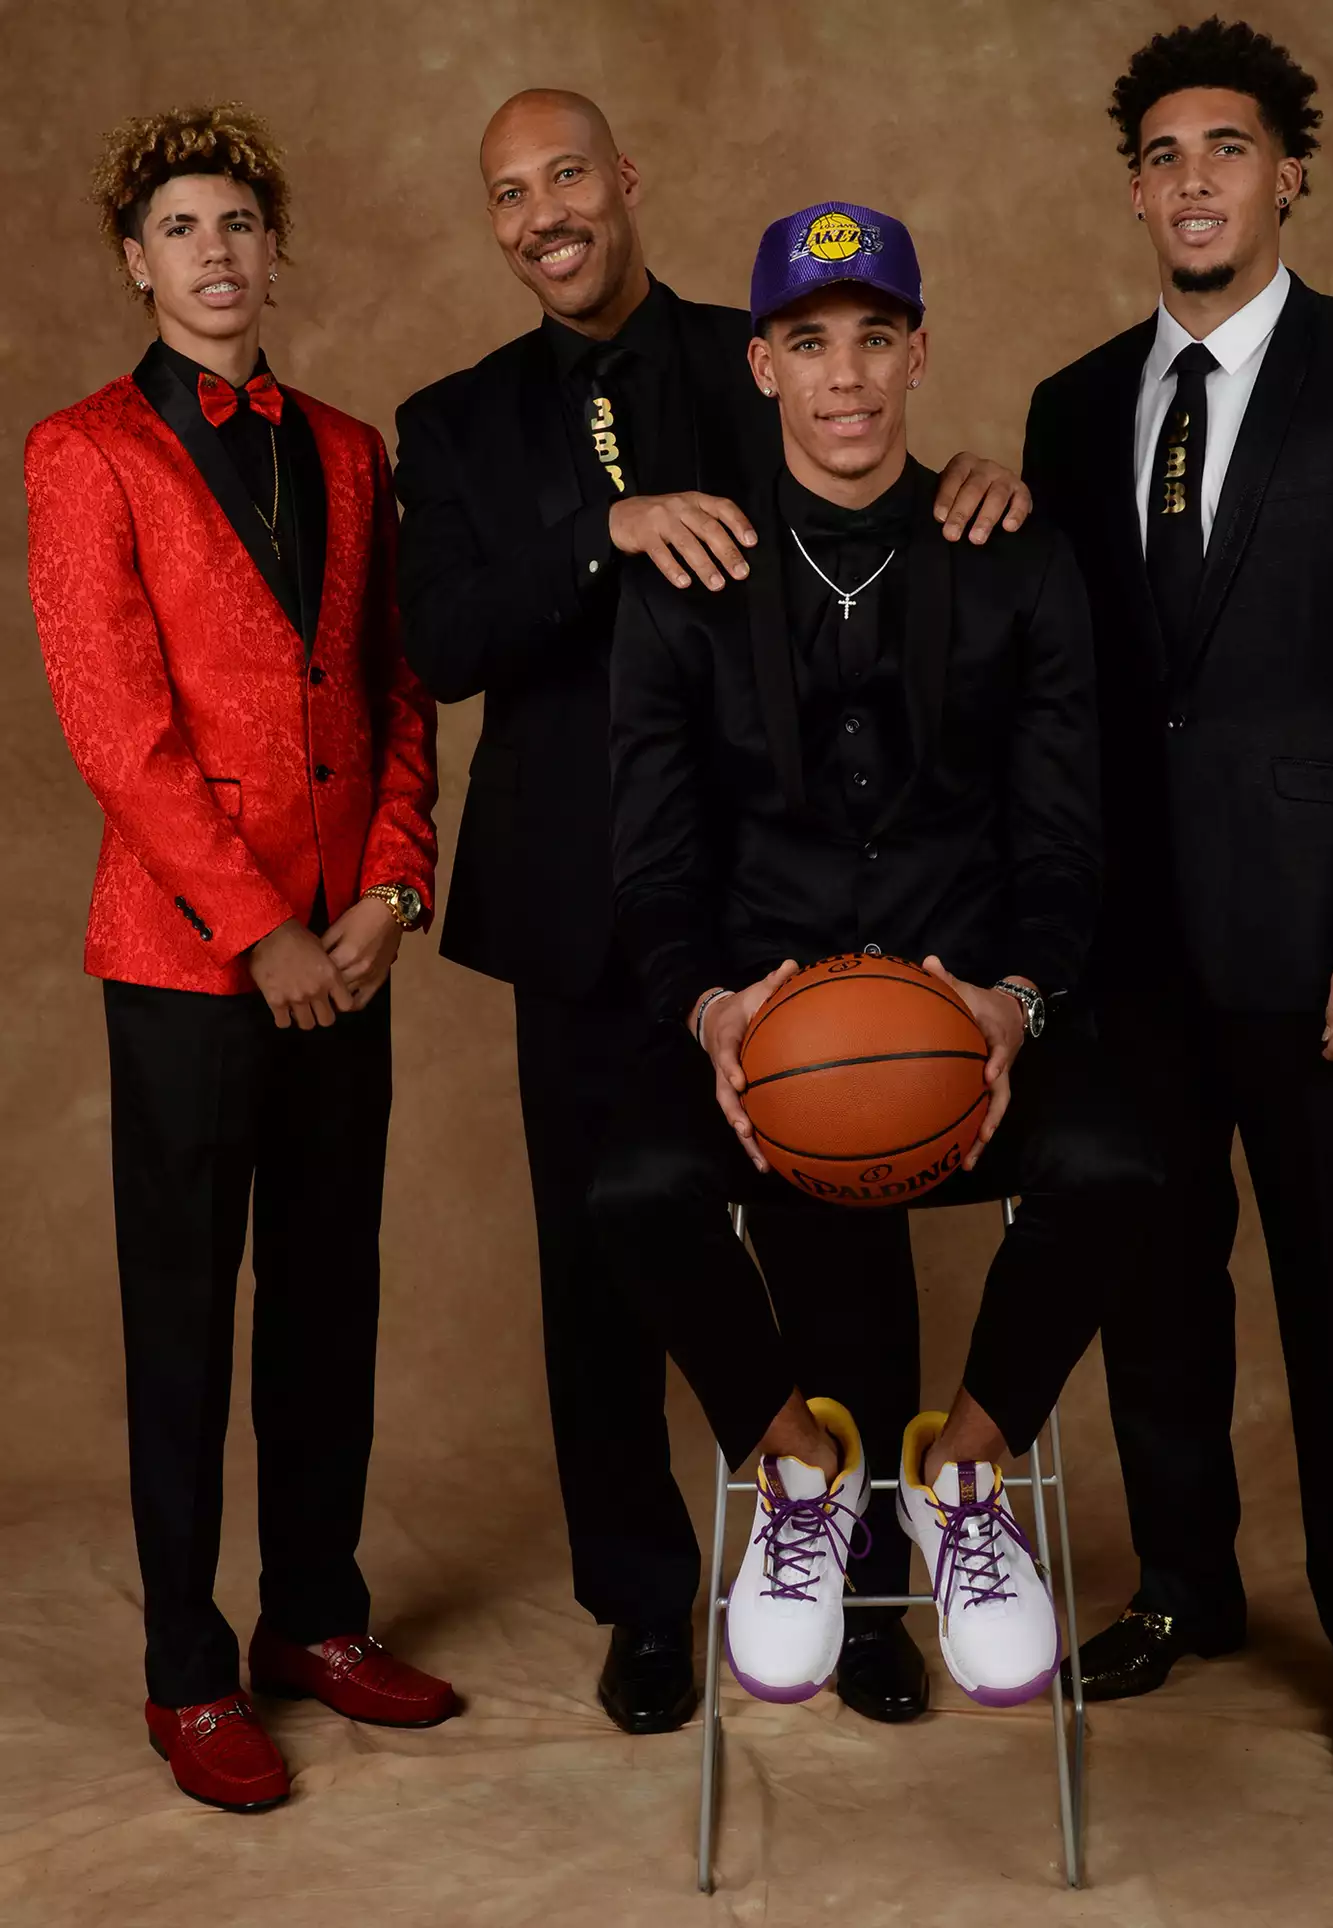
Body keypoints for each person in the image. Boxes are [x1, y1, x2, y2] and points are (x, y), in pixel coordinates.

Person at [394, 89, 1037, 1733]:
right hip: (568, 904)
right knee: (600, 1259)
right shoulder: (456, 421)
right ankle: (643, 1599)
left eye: (568, 180)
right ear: (494, 224)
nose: (544, 214)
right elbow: (446, 638)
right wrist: (602, 535)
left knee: (842, 1223)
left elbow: (865, 503)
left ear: (624, 184)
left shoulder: (758, 354)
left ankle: (879, 1596)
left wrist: (972, 483)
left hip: (771, 890)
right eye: (508, 194)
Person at [591, 200, 1158, 1710]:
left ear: (919, 354)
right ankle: (801, 1470)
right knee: (628, 1185)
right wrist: (711, 1013)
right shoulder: (684, 576)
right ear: (762, 364)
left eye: (874, 340)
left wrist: (1015, 1006)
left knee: (1124, 1159)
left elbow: (1062, 842)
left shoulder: (1013, 555)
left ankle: (956, 1475)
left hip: (960, 1027)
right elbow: (649, 862)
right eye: (808, 343)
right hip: (772, 1026)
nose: (845, 377)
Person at [1022, 18, 1333, 1775]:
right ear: (1134, 188)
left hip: (1321, 947)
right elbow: (1061, 679)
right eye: (1160, 154)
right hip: (1126, 952)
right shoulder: (1072, 408)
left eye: (1226, 148)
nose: (1193, 179)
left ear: (1288, 170)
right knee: (1156, 1284)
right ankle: (1186, 1585)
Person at [25, 106, 453, 1814]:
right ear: (139, 263)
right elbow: (118, 735)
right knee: (185, 1322)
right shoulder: (83, 453)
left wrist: (388, 902)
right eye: (182, 228)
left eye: (239, 225)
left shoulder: (350, 451)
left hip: (346, 956)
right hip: (191, 967)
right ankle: (186, 1673)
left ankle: (316, 1620)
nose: (215, 252)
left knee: (332, 1299)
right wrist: (263, 929)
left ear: (275, 254)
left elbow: (396, 698)